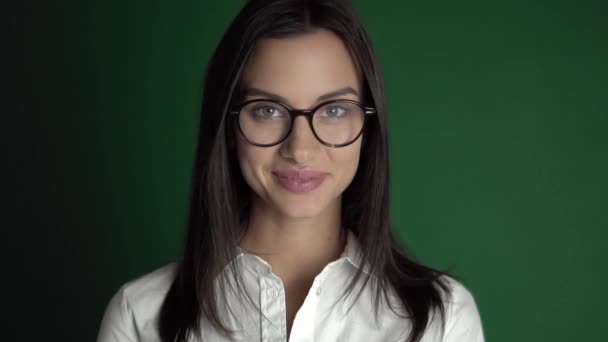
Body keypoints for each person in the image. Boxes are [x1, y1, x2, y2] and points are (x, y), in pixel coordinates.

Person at [96, 0, 485, 341]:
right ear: (229, 125)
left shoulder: (442, 318)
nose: (300, 149)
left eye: (333, 111)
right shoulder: (141, 316)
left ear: (368, 127)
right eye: (267, 110)